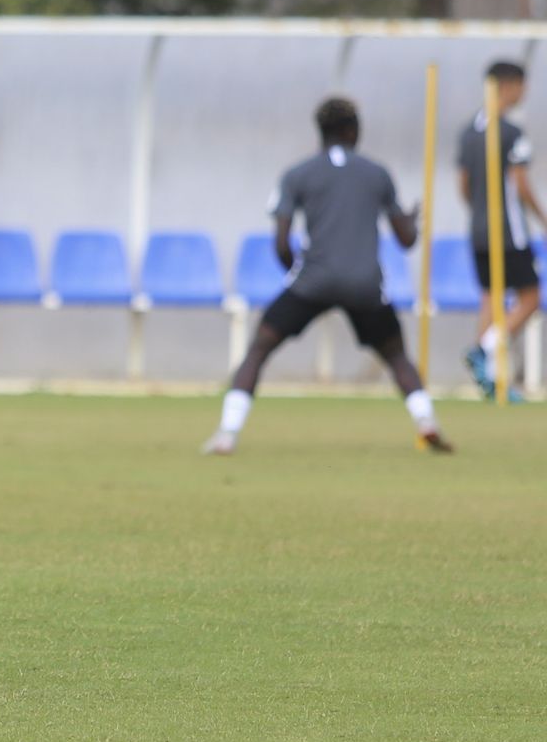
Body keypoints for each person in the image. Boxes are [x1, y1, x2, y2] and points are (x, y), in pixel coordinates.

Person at [203, 97, 454, 456]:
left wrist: (296, 272)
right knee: (397, 356)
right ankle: (426, 422)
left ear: (320, 132)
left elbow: (281, 239)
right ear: (353, 131)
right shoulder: (377, 173)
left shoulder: (297, 174)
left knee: (259, 348)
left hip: (312, 282)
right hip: (366, 285)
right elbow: (406, 240)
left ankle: (227, 433)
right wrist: (413, 221)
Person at [456, 61, 544, 401]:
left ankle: (490, 380)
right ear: (509, 86)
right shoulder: (511, 133)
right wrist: (543, 220)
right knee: (531, 296)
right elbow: (520, 184)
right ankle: (483, 348)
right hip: (510, 231)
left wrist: (478, 210)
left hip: (478, 228)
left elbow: (463, 184)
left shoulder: (469, 132)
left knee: (490, 298)